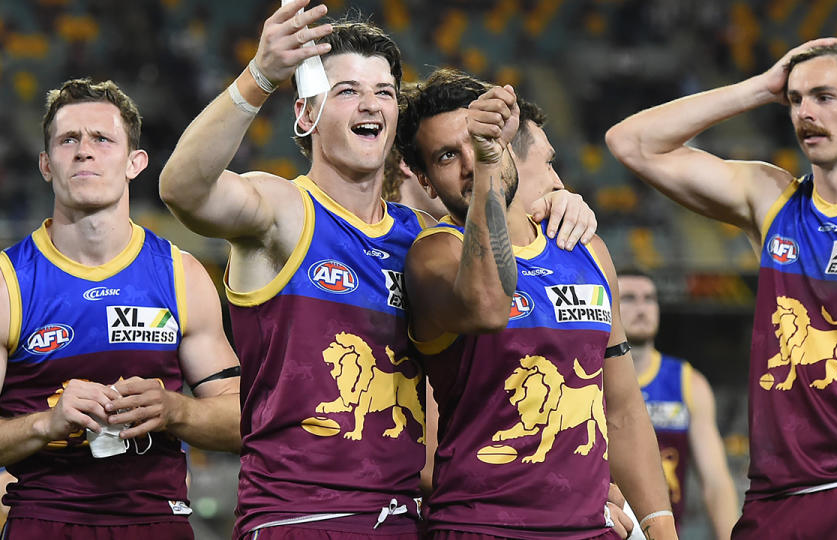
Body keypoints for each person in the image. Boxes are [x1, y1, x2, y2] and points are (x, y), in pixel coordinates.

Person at [159, 3, 597, 537]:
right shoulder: (283, 211)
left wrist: (559, 203)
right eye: (347, 91)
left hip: (402, 518)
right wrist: (259, 77)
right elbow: (183, 188)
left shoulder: (422, 234)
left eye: (384, 92)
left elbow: (499, 264)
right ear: (306, 115)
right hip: (301, 518)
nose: (371, 103)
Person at [0, 78, 241, 539]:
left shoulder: (182, 276)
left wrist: (176, 410)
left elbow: (243, 421)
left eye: (102, 138)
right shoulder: (2, 286)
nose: (84, 151)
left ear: (135, 162)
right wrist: (44, 424)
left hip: (157, 523)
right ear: (46, 164)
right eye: (68, 139)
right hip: (45, 523)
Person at [605, 38, 837, 537]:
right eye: (796, 99)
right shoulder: (772, 198)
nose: (806, 112)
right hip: (773, 499)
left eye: (825, 96)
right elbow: (632, 142)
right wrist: (759, 88)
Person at [396, 67, 677, 540]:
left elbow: (623, 410)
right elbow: (488, 302)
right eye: (447, 156)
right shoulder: (433, 256)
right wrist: (488, 165)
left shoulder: (585, 249)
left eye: (479, 140)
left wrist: (660, 530)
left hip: (591, 529)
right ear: (425, 181)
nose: (469, 162)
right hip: (483, 527)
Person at [617, 270, 738, 539]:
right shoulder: (591, 378)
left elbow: (716, 482)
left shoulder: (689, 383)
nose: (642, 308)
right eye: (629, 298)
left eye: (649, 299)